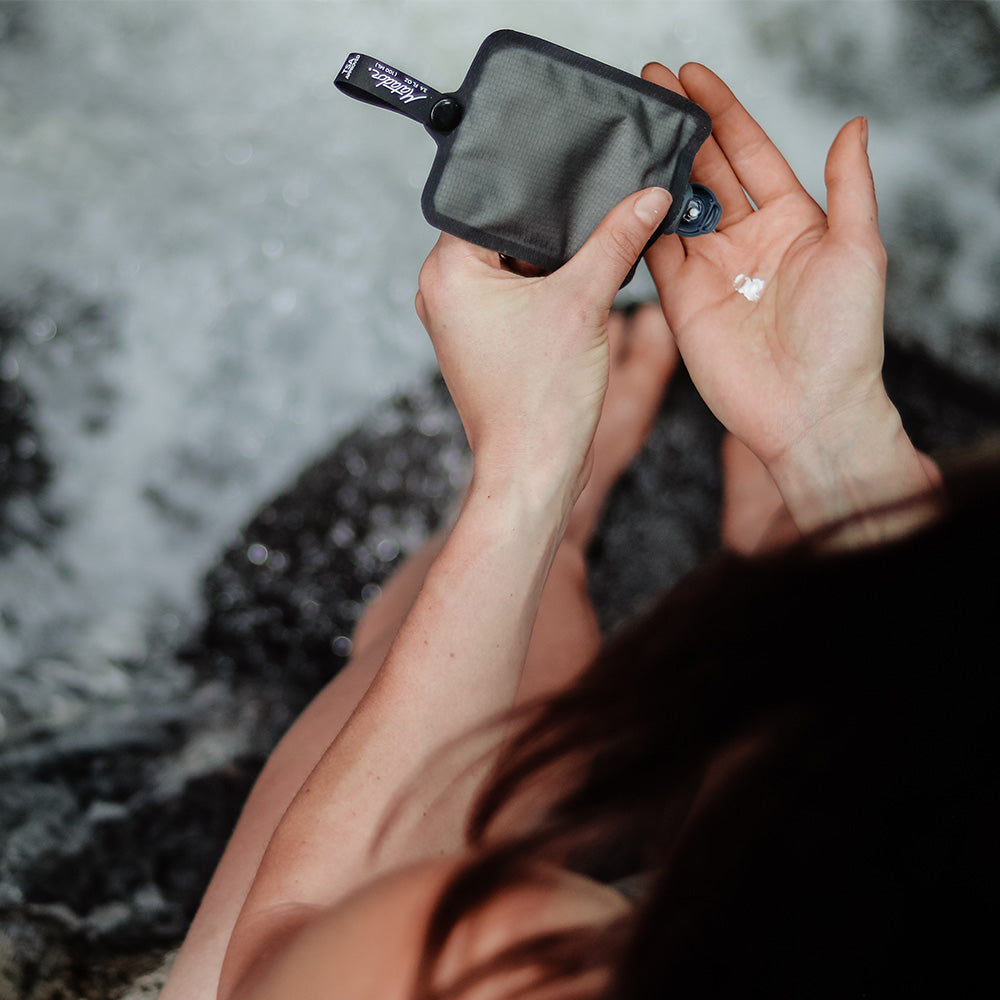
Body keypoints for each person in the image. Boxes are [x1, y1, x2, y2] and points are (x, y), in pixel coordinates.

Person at [159, 63, 993, 1000]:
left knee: (508, 697)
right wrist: (830, 444)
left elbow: (290, 955)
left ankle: (573, 540)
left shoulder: (478, 952)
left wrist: (528, 468)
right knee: (790, 682)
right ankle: (784, 540)